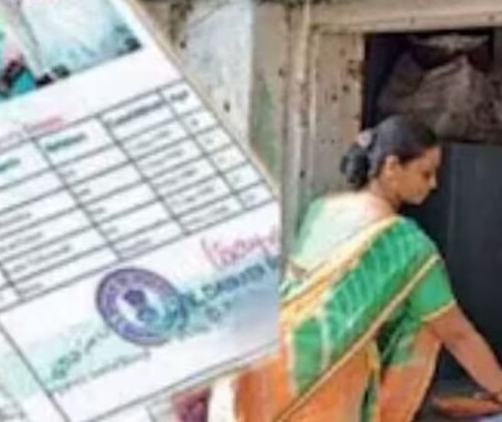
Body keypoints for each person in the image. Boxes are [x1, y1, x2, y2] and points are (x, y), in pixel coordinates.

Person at [190, 116, 502, 422]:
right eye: (426, 173)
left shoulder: (321, 209)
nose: (434, 184)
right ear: (392, 167)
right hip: (325, 377)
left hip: (265, 358)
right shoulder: (404, 245)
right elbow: (457, 335)